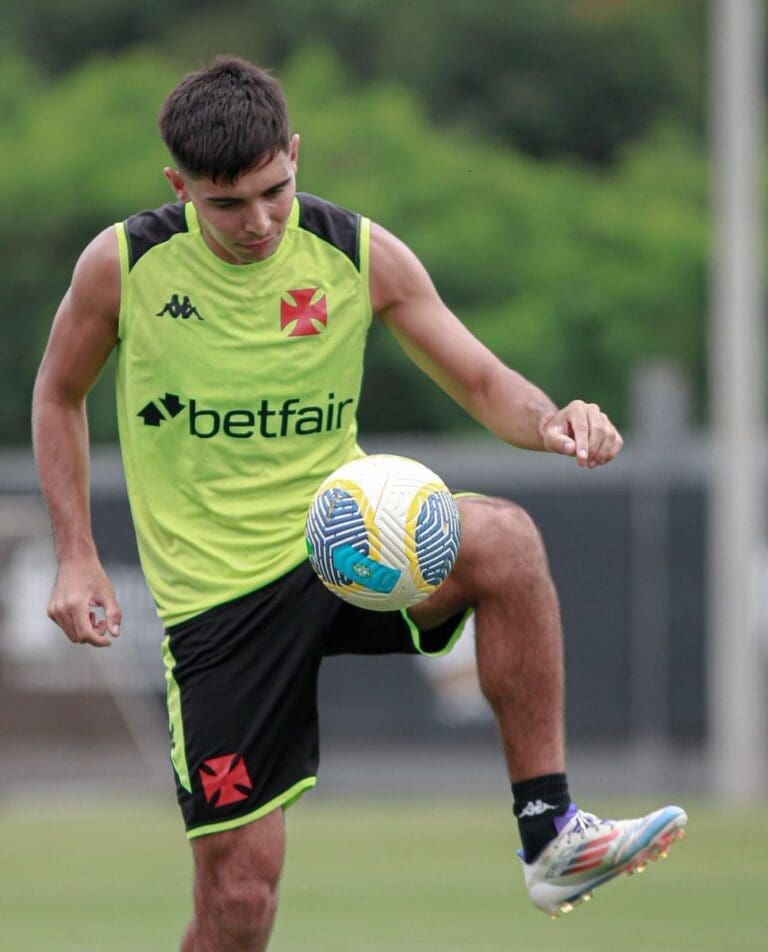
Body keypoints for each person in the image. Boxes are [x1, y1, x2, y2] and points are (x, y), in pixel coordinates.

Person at [32, 55, 686, 949]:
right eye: (227, 204)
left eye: (275, 190)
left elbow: (482, 381)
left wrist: (553, 421)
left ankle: (551, 834)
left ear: (295, 154)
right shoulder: (124, 266)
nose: (259, 221)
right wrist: (75, 553)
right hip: (217, 601)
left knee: (506, 541)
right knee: (240, 901)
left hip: (343, 547)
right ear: (178, 188)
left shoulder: (356, 252)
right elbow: (57, 394)